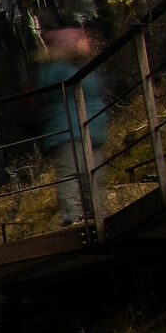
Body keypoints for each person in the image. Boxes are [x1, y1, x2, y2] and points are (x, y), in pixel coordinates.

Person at [30, 27, 107, 223]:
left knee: (93, 174)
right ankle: (73, 217)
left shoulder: (79, 68)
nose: (88, 44)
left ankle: (96, 213)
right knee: (73, 173)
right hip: (69, 130)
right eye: (82, 41)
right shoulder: (58, 70)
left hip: (89, 128)